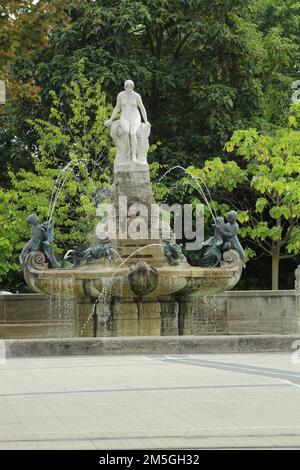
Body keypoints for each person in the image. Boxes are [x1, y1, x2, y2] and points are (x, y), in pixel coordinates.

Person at [105, 80, 150, 161]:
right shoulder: (121, 95)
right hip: (125, 116)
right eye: (127, 86)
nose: (128, 88)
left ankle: (133, 155)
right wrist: (110, 119)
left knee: (132, 133)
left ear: (133, 87)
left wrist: (146, 121)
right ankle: (129, 150)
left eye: (130, 87)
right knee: (125, 131)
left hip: (135, 117)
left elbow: (142, 108)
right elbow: (117, 107)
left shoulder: (136, 96)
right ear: (124, 87)